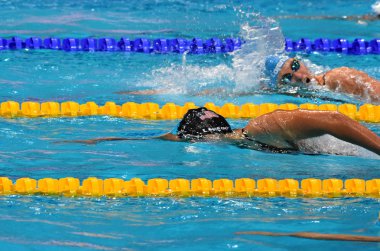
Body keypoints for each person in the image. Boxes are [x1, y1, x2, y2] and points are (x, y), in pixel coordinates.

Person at [66, 107, 380, 156]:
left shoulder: (263, 127)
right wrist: (110, 139)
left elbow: (335, 119)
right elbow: (174, 137)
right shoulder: (238, 138)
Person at [265, 56, 380, 104]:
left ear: (299, 61)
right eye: (288, 78)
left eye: (295, 66)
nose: (299, 76)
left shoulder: (338, 78)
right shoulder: (308, 93)